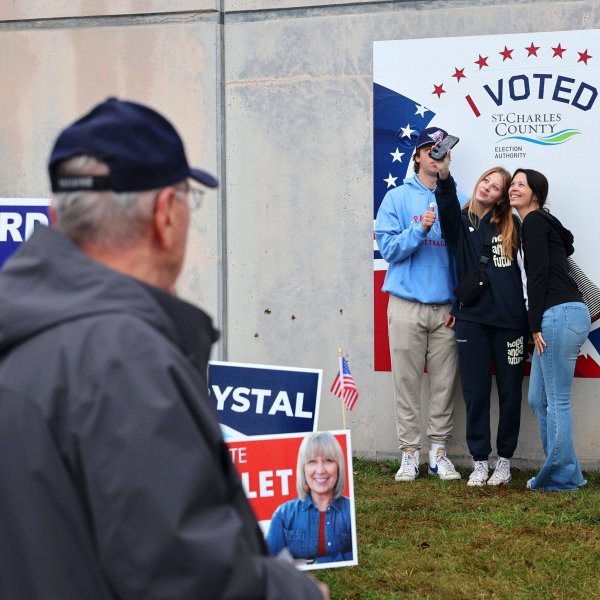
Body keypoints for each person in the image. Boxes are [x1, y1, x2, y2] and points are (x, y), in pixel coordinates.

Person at [0, 98, 327, 599]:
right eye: (187, 199)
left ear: (54, 215)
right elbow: (189, 578)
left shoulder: (29, 330)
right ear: (164, 215)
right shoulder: (123, 360)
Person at [374, 127, 461, 482]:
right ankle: (409, 453)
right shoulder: (396, 198)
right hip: (407, 303)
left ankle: (438, 452)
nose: (435, 155)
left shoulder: (458, 196)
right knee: (406, 382)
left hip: (446, 309)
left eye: (441, 151)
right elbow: (390, 250)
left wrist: (462, 303)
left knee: (445, 383)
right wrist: (419, 230)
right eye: (429, 149)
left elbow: (464, 254)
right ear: (418, 156)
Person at [435, 158, 528, 486]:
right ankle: (479, 461)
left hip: (511, 322)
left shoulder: (513, 224)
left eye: (496, 185)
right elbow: (445, 203)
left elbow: (531, 269)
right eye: (485, 180)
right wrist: (444, 176)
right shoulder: (459, 222)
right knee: (475, 392)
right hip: (471, 320)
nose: (487, 186)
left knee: (509, 391)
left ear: (502, 197)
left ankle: (503, 461)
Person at [509, 168, 590, 492]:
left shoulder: (533, 222)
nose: (514, 188)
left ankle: (563, 475)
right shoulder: (544, 223)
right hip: (564, 315)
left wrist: (533, 324)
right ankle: (559, 468)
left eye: (521, 185)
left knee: (556, 400)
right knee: (537, 398)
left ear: (536, 194)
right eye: (512, 184)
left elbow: (539, 274)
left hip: (557, 316)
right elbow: (567, 246)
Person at [266, 431, 353, 564]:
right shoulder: (284, 515)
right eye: (312, 461)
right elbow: (269, 565)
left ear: (338, 466)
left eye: (328, 460)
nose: (320, 470)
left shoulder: (351, 511)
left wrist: (315, 563)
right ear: (303, 469)